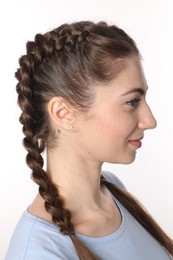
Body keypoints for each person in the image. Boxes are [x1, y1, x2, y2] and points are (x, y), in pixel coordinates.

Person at [5, 21, 173, 260]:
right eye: (132, 102)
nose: (150, 120)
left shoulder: (113, 192)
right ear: (63, 113)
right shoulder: (39, 253)